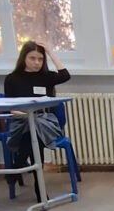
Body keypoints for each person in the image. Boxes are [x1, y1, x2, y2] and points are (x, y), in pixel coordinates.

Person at [4, 40, 70, 202]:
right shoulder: (12, 79)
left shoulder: (46, 77)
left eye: (40, 59)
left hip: (46, 120)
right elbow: (10, 108)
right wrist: (26, 116)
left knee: (36, 127)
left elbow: (65, 75)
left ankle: (18, 165)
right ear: (23, 58)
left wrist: (50, 52)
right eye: (32, 58)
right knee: (32, 130)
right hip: (22, 120)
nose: (37, 63)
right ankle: (38, 186)